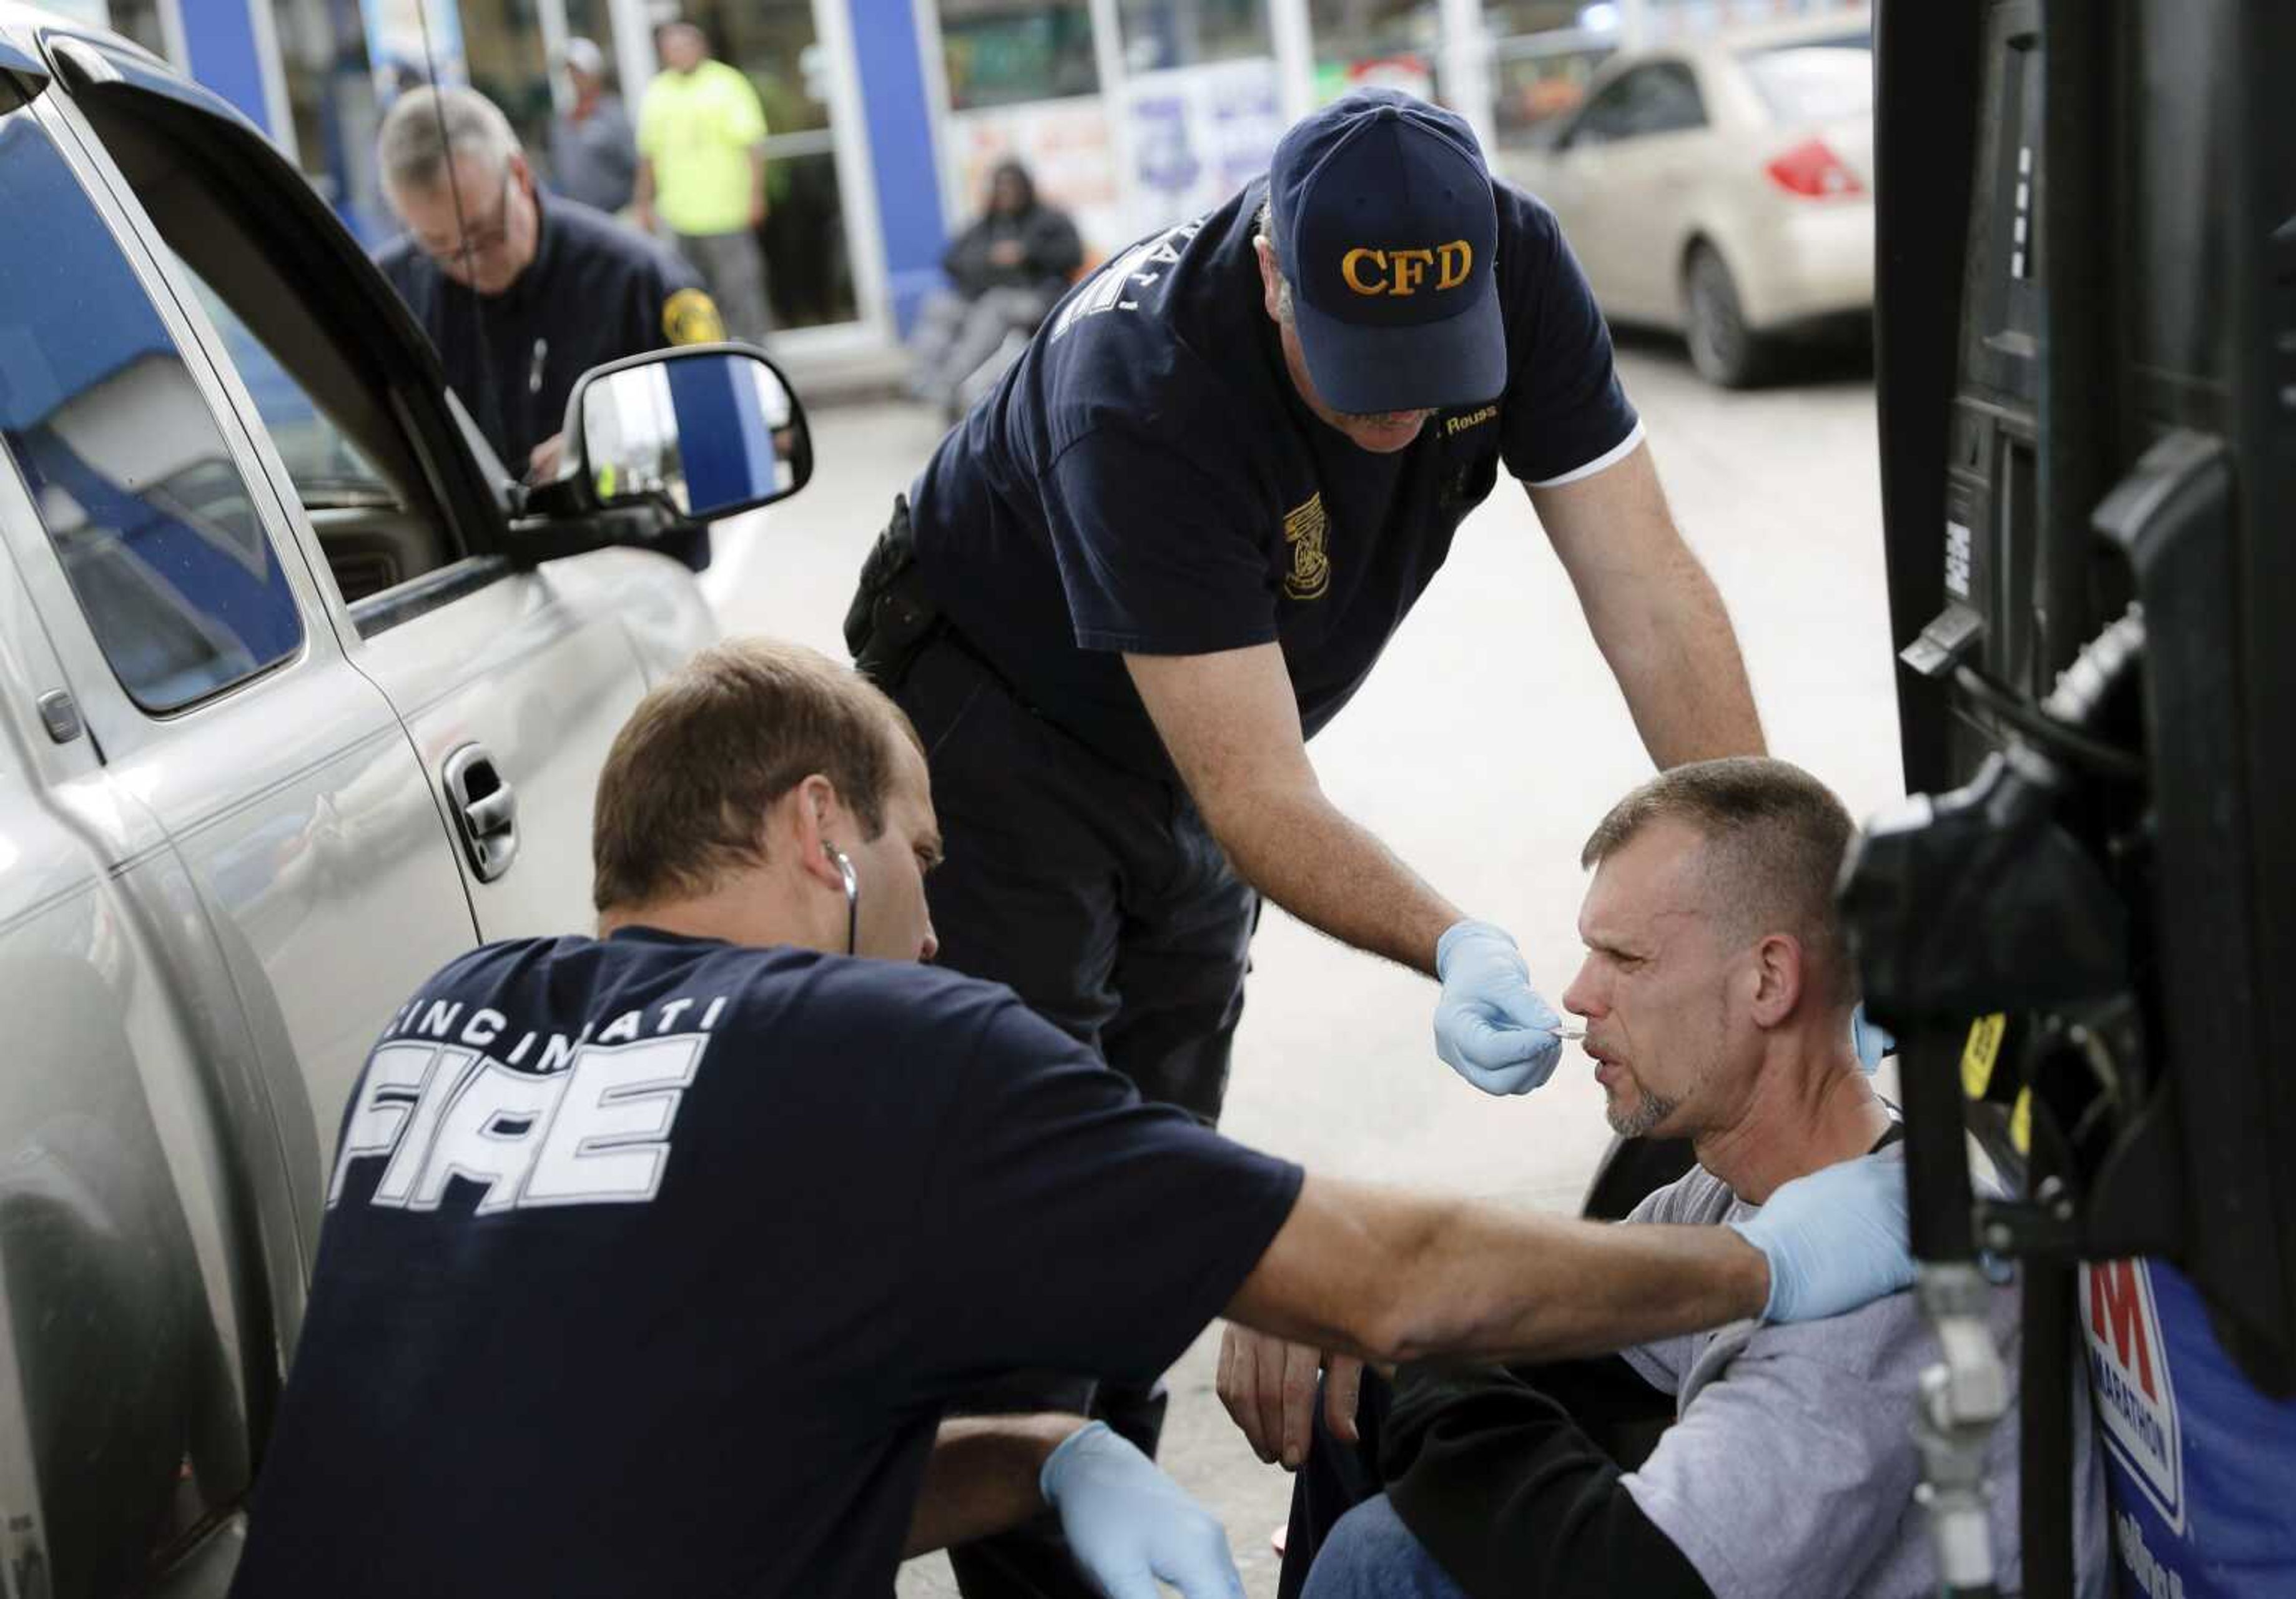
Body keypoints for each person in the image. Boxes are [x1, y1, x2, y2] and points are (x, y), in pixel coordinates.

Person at [223, 641, 1918, 1599]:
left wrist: (1051, 1456)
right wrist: (1760, 1281)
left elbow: (660, 1497)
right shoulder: (869, 1039)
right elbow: (1384, 1285)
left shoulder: (444, 1029)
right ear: (827, 828)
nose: (943, 928)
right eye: (926, 860)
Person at [846, 86, 1766, 1597]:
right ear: (1273, 268)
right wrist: (1450, 936)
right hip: (999, 719)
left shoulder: (1514, 263)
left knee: (1154, 1152)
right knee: (1027, 1176)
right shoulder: (1142, 387)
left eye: (1431, 375)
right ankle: (1043, 1544)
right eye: (1360, 376)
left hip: (1216, 722)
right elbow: (1256, 796)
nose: (1398, 414)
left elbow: (1645, 579)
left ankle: (1103, 1474)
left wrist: (1772, 878)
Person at [1268, 757, 2110, 1599]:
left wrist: (1408, 1337)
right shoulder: (1733, 1191)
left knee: (1386, 1558)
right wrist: (1360, 1288)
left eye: (1624, 958)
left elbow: (1628, 1576)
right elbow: (1538, 1312)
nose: (1577, 992)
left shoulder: (1880, 1313)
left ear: (1769, 982)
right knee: (1364, 1384)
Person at [373, 85, 722, 482]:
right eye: (437, 246)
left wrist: (617, 441)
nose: (468, 265)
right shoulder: (388, 297)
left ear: (520, 175)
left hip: (633, 543)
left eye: (483, 234)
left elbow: (726, 418)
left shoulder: (638, 277)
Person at [907, 158, 1085, 416]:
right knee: (941, 304)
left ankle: (952, 380)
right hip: (982, 297)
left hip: (1039, 299)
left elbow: (1073, 255)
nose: (1006, 193)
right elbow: (952, 261)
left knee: (995, 306)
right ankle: (922, 378)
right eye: (1000, 188)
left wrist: (1026, 254)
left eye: (1011, 187)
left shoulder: (1049, 220)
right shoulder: (986, 225)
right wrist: (989, 259)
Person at [636, 22, 774, 342]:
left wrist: (756, 196)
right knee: (691, 300)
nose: (679, 53)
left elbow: (752, 145)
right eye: (671, 48)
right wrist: (643, 204)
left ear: (701, 47)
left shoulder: (727, 83)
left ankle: (755, 360)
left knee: (740, 292)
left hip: (727, 212)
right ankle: (711, 363)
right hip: (680, 215)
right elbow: (648, 155)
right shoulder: (658, 91)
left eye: (684, 46)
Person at [549, 37, 639, 215]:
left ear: (595, 74)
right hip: (579, 217)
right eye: (569, 72)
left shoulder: (614, 115)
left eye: (578, 72)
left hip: (617, 216)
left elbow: (636, 166)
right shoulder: (561, 122)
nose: (573, 79)